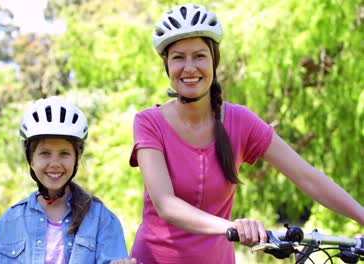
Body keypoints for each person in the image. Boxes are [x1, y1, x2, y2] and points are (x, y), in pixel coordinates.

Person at [129, 3, 364, 263]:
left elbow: (307, 176)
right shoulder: (148, 122)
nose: (189, 67)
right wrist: (232, 227)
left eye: (199, 56)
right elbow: (166, 204)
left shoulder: (240, 121)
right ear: (166, 63)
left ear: (214, 59)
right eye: (178, 57)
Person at [0, 96, 136, 264]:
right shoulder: (8, 223)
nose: (54, 164)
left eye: (64, 153)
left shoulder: (102, 221)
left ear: (78, 156)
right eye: (45, 153)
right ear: (30, 157)